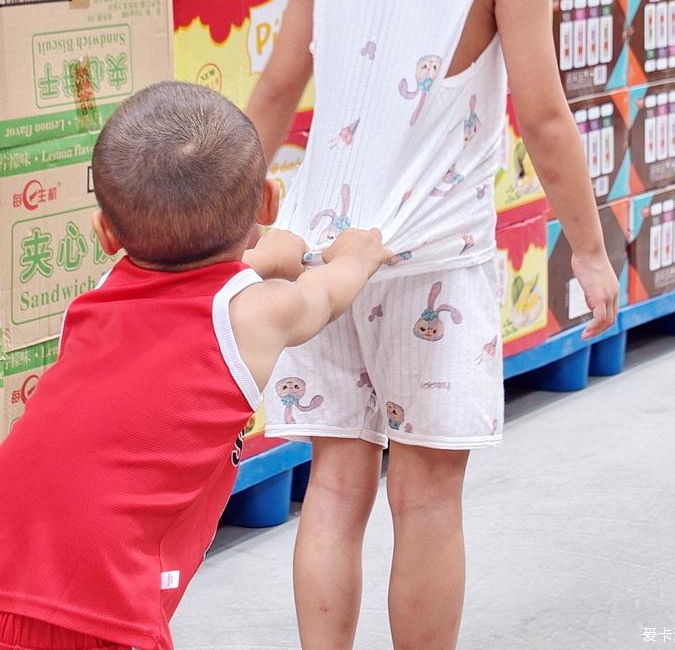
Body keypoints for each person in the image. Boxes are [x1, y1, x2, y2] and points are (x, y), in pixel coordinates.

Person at [246, 0, 620, 650]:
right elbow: (543, 120)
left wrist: (231, 217)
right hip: (432, 267)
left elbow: (278, 87)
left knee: (331, 487)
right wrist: (587, 251)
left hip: (323, 257)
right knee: (424, 502)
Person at [0, 81, 389, 650]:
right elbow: (325, 295)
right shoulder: (259, 313)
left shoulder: (100, 295)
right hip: (100, 599)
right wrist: (357, 255)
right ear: (269, 202)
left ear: (106, 233)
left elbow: (189, 281)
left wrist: (260, 255)